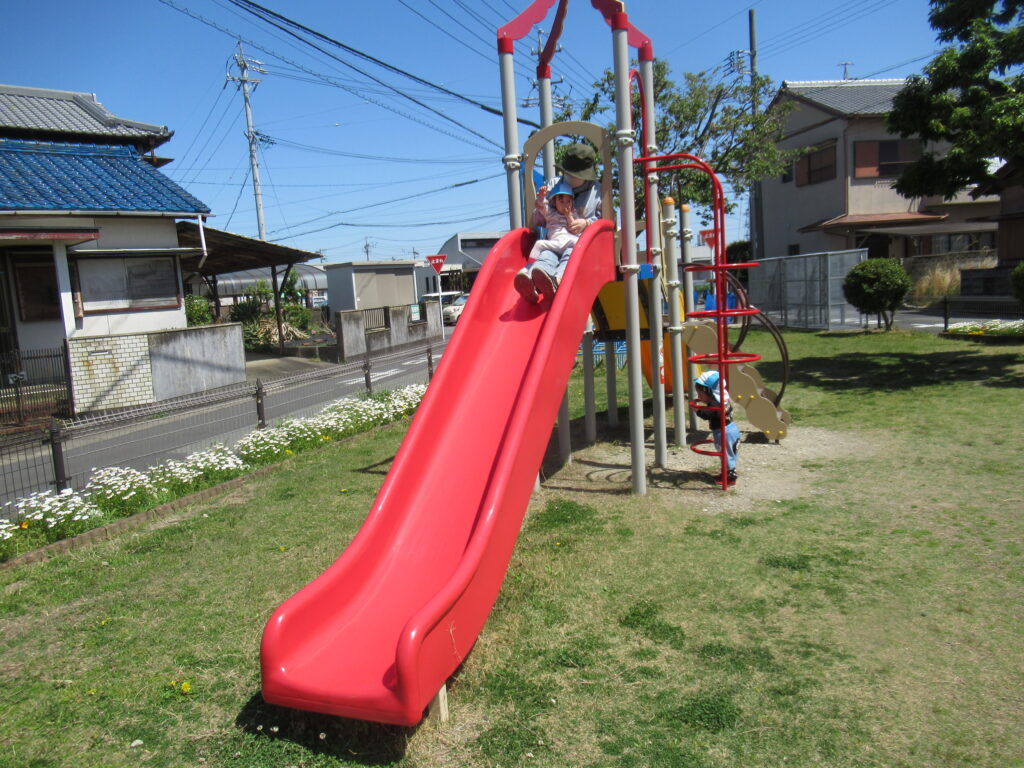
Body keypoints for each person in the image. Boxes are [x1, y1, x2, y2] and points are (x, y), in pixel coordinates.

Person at [514, 143, 602, 303]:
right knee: (546, 255)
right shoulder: (554, 185)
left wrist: (587, 223)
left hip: (579, 246)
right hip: (555, 239)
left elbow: (606, 220)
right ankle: (535, 278)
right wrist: (541, 206)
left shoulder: (597, 191)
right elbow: (541, 218)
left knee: (570, 256)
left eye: (575, 175)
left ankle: (557, 280)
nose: (570, 178)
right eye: (568, 173)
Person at [693, 370, 740, 486]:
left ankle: (730, 478)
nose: (699, 397)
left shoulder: (715, 404)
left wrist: (697, 410)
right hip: (729, 429)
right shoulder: (721, 399)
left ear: (709, 392)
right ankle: (726, 473)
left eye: (700, 394)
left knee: (726, 454)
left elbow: (706, 414)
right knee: (726, 453)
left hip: (724, 432)